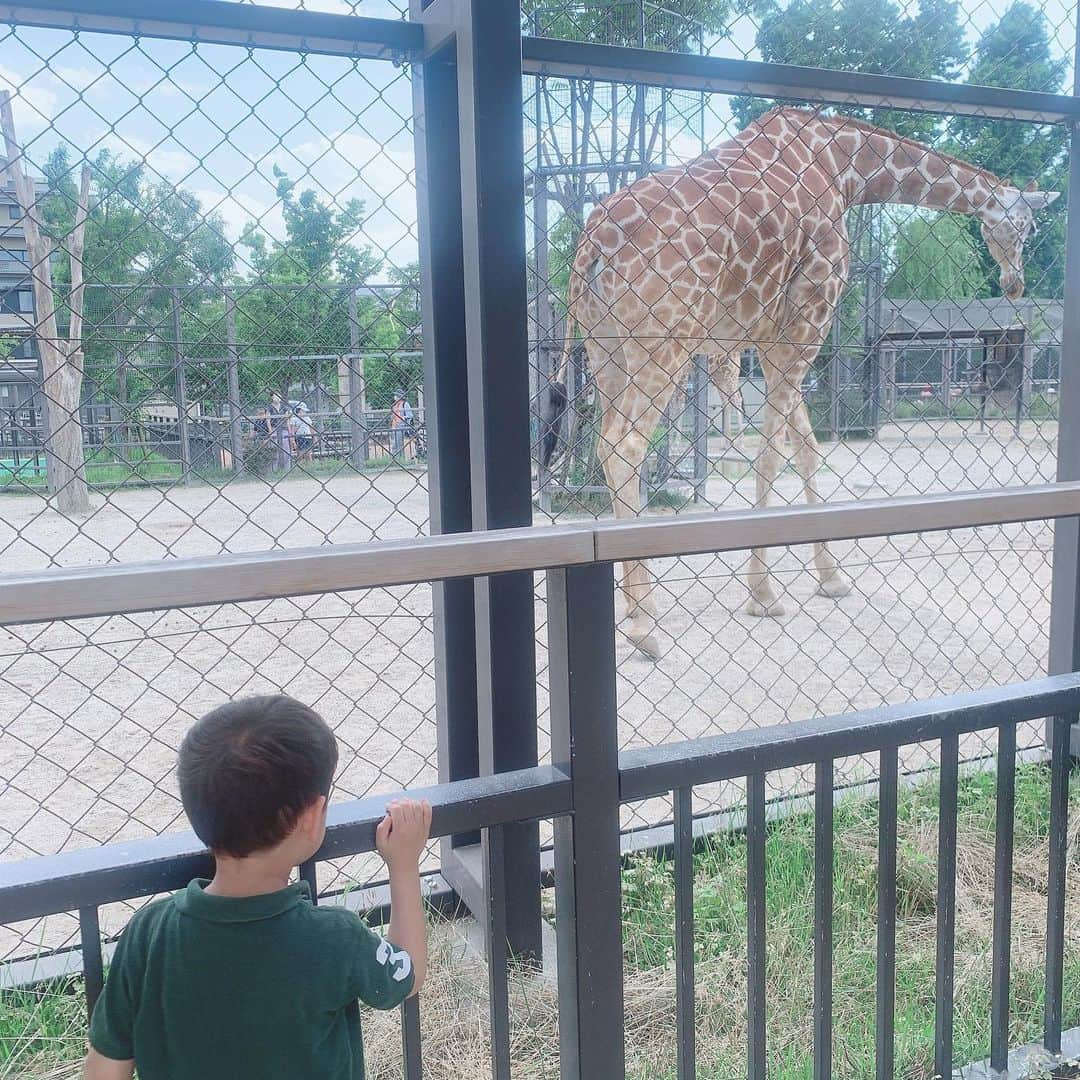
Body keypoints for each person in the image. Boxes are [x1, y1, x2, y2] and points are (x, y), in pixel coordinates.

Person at [82, 695, 431, 1080]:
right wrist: (403, 864)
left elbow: (104, 1071)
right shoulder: (333, 938)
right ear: (312, 818)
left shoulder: (149, 933)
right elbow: (408, 975)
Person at [269, 392, 290, 471]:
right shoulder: (269, 407)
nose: (277, 397)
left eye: (278, 395)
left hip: (284, 429)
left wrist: (289, 431)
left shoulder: (284, 407)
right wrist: (270, 431)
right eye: (275, 396)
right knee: (275, 450)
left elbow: (287, 420)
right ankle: (274, 469)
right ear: (272, 397)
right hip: (274, 429)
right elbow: (268, 420)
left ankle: (286, 468)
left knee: (286, 449)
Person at [389, 390, 407, 459]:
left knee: (399, 443)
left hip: (401, 425)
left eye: (396, 395)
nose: (395, 397)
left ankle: (401, 458)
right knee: (394, 443)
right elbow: (392, 415)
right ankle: (394, 458)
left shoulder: (404, 404)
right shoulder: (395, 405)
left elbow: (409, 415)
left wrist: (403, 419)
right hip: (394, 425)